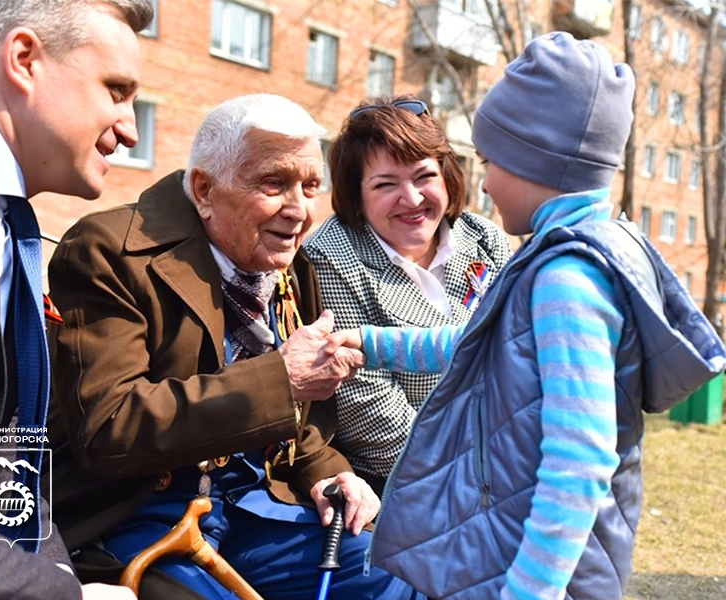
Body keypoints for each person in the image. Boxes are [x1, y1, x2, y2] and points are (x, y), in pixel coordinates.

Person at [328, 33, 726, 600]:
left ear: (537, 163)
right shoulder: (556, 257)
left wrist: (529, 591)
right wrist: (370, 343)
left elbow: (579, 460)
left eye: (491, 163)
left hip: (545, 565)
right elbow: (474, 342)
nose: (484, 183)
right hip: (511, 531)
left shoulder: (566, 281)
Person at [47, 93, 423, 600]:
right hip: (135, 514)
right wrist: (278, 380)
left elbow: (303, 426)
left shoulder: (290, 264)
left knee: (402, 574)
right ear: (204, 189)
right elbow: (108, 427)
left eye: (312, 187)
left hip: (256, 508)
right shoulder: (109, 252)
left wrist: (329, 474)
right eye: (274, 184)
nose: (300, 211)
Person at [0, 1, 154, 599]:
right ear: (24, 59)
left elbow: (1, 448)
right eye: (116, 90)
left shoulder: (3, 215)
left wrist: (56, 576)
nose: (130, 129)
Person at [303, 96, 511, 494]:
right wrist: (474, 475)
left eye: (423, 177)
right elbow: (369, 413)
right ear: (357, 195)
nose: (412, 199)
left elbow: (514, 359)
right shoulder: (331, 257)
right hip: (403, 482)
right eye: (386, 184)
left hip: (501, 460)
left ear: (447, 176)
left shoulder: (486, 240)